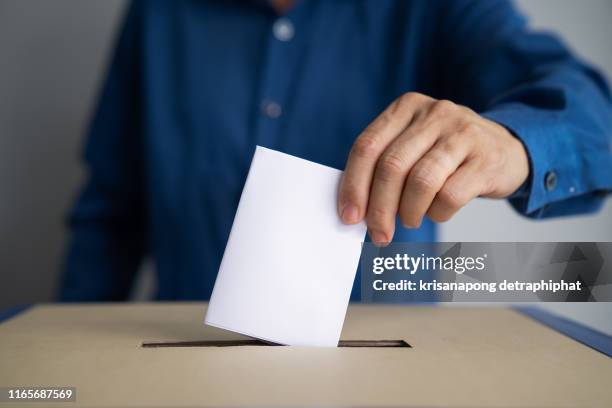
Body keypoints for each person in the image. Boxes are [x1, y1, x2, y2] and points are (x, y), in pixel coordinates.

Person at [60, 0, 612, 301]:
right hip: (181, 356)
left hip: (392, 365)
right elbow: (109, 214)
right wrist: (69, 359)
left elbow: (596, 119)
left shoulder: (436, 8)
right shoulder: (159, 13)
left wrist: (511, 143)